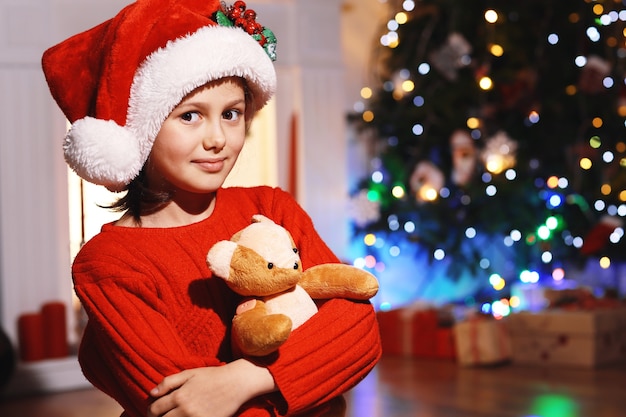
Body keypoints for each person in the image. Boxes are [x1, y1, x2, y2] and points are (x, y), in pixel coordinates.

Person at [41, 1, 381, 416]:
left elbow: (359, 331)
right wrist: (309, 375)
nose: (218, 138)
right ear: (139, 128)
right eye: (190, 116)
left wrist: (241, 380)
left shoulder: (269, 206)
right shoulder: (110, 263)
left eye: (232, 113)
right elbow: (184, 406)